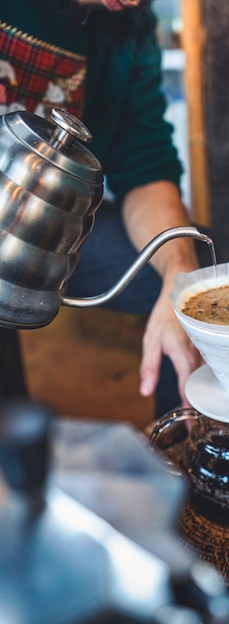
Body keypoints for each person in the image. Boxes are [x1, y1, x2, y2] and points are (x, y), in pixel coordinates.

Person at [0, 0, 203, 417]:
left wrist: (180, 273)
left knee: (195, 295)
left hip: (47, 231)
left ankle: (181, 450)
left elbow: (143, 163)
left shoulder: (128, 22)